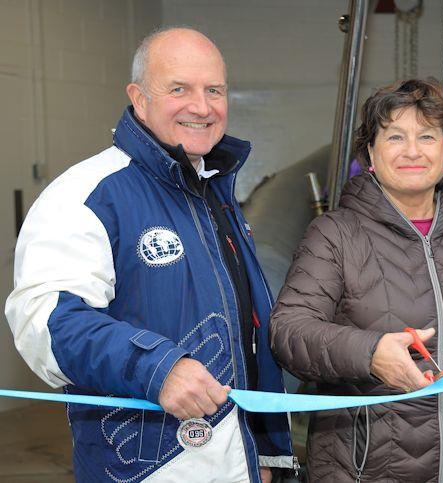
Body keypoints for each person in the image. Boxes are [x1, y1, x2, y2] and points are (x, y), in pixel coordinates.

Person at [5, 27, 293, 482]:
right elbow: (44, 321)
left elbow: (245, 332)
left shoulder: (214, 194)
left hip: (235, 461)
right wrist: (158, 368)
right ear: (139, 99)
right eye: (179, 88)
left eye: (213, 90)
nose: (202, 106)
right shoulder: (88, 195)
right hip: (147, 467)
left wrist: (263, 449)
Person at [269, 78, 443, 481]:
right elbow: (288, 333)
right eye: (395, 136)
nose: (412, 150)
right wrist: (369, 353)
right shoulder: (335, 234)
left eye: (427, 136)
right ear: (371, 153)